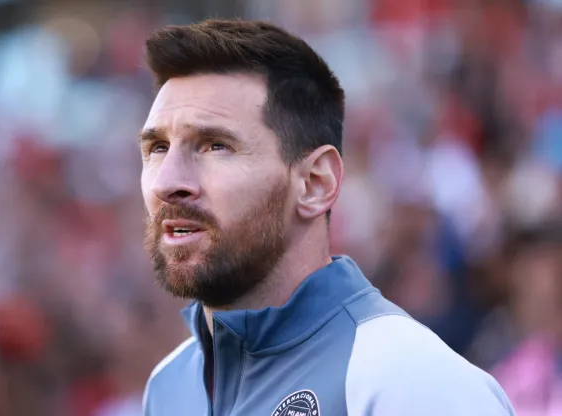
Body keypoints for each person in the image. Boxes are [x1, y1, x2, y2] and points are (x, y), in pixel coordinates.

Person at [138, 19, 515, 416]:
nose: (167, 182)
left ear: (315, 183)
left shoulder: (411, 382)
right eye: (158, 147)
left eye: (215, 145)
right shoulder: (168, 386)